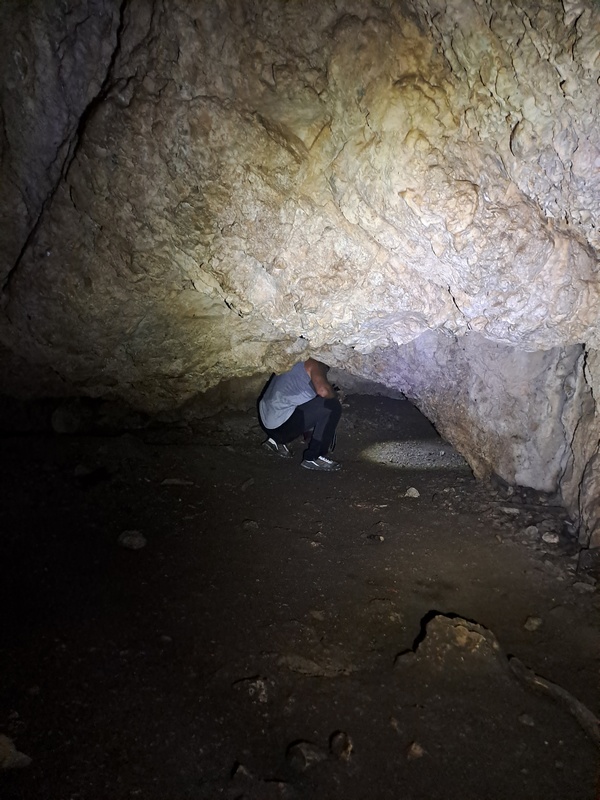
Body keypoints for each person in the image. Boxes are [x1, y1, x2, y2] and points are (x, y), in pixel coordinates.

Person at [257, 358, 342, 471]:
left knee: (315, 403)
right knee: (332, 405)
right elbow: (324, 391)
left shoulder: (296, 360)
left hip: (266, 421)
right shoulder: (315, 364)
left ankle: (275, 441)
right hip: (279, 428)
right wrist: (336, 396)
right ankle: (314, 457)